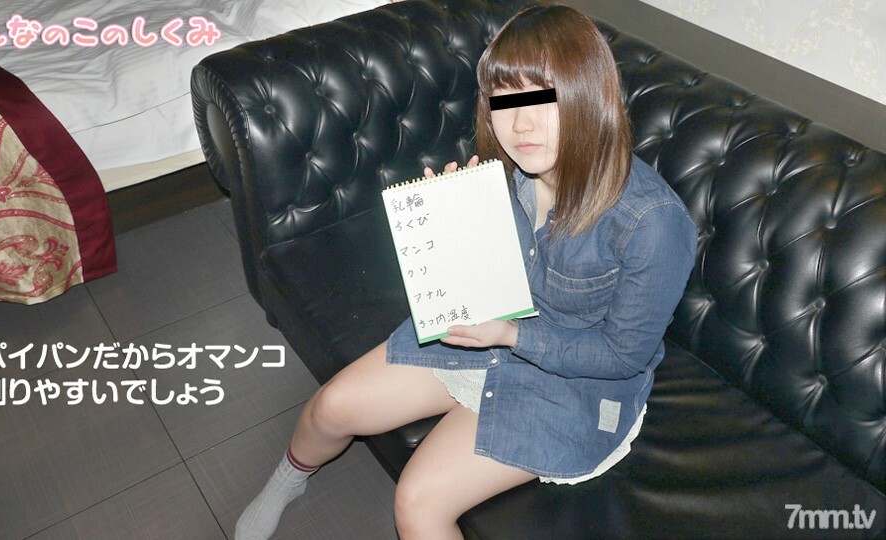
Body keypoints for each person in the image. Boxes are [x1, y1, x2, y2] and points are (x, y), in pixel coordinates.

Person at [235, 3, 697, 539]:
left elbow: (622, 357)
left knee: (417, 502)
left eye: (542, 99)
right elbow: (499, 267)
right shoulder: (517, 167)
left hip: (574, 386)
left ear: (588, 96)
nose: (520, 124)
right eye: (505, 100)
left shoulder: (651, 223)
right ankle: (289, 480)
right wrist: (458, 220)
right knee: (331, 407)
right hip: (490, 325)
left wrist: (511, 334)